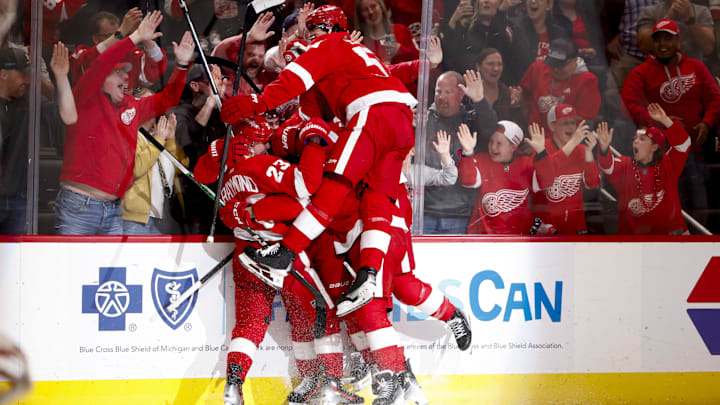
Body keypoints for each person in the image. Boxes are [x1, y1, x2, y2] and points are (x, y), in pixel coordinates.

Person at [221, 5, 416, 319]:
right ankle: (368, 276)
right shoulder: (357, 53)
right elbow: (311, 114)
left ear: (327, 29)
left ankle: (285, 254)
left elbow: (295, 81)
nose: (309, 40)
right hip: (401, 120)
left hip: (372, 113)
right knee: (378, 199)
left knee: (335, 184)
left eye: (312, 33)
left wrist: (258, 102)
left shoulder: (330, 43)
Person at [193, 116, 332, 405]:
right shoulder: (262, 164)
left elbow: (205, 180)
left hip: (247, 259)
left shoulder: (228, 177)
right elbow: (303, 196)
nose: (269, 146)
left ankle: (234, 385)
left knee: (248, 326)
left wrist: (244, 213)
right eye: (264, 142)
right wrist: (315, 141)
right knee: (312, 315)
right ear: (253, 144)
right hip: (283, 256)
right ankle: (316, 382)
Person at [54, 12, 194, 235]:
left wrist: (182, 65)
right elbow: (100, 63)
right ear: (102, 80)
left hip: (114, 210)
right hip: (79, 208)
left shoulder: (131, 105)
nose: (126, 77)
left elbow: (168, 99)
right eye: (118, 73)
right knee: (72, 269)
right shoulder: (85, 97)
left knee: (117, 270)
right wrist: (135, 36)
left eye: (125, 72)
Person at [621, 18, 720, 222]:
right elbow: (628, 104)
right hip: (663, 154)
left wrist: (707, 122)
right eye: (658, 40)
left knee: (699, 203)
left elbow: (715, 98)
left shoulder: (697, 67)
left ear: (678, 41)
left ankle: (700, 243)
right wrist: (659, 121)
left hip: (695, 148)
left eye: (668, 39)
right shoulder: (641, 72)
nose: (663, 44)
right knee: (672, 206)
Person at [0, 43, 75, 235]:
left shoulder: (30, 102)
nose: (28, 79)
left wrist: (60, 76)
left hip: (19, 198)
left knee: (18, 260)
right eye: (23, 74)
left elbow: (68, 116)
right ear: (4, 74)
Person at [422, 70, 498, 234]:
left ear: (461, 95)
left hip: (460, 213)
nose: (441, 97)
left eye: (448, 92)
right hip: (424, 212)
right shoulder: (423, 120)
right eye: (438, 91)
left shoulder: (470, 120)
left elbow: (491, 130)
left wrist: (479, 100)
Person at [596, 103, 690, 234]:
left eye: (642, 139)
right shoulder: (625, 165)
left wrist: (664, 120)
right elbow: (607, 167)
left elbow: (684, 144)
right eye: (635, 138)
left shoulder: (667, 164)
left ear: (654, 147)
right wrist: (605, 149)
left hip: (671, 239)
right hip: (634, 241)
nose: (635, 141)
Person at [457, 121, 554, 234]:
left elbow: (547, 182)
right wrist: (468, 152)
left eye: (499, 143)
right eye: (491, 141)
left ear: (513, 147)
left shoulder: (525, 164)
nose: (493, 147)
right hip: (486, 237)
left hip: (519, 238)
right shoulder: (481, 160)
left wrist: (541, 152)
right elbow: (468, 181)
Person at [172, 64, 228, 235]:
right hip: (195, 194)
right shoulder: (180, 114)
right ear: (195, 86)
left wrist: (220, 101)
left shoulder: (220, 112)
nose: (217, 86)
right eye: (211, 82)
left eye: (219, 82)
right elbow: (190, 141)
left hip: (222, 191)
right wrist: (211, 101)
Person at [530, 104, 600, 235]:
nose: (571, 127)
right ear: (552, 126)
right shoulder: (541, 146)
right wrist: (573, 142)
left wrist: (589, 152)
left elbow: (592, 183)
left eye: (573, 123)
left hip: (575, 225)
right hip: (546, 226)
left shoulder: (581, 150)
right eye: (565, 123)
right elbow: (546, 175)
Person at [122, 109, 187, 235]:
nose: (150, 108)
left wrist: (170, 140)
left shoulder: (158, 136)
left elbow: (182, 168)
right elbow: (136, 169)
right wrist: (158, 141)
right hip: (137, 217)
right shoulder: (129, 135)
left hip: (165, 215)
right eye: (146, 103)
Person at [70, 8, 168, 92]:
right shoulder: (82, 54)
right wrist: (121, 32)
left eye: (120, 34)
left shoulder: (130, 55)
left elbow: (156, 69)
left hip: (126, 111)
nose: (117, 40)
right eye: (110, 35)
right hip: (94, 112)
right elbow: (90, 62)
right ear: (95, 38)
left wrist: (143, 37)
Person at [519, 36, 601, 133]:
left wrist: (548, 145)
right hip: (533, 135)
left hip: (566, 141)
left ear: (575, 60)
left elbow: (582, 125)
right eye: (553, 64)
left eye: (561, 65)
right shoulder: (538, 68)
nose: (556, 69)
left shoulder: (587, 81)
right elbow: (523, 95)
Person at [441, 0, 523, 84]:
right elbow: (448, 57)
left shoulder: (509, 31)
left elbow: (497, 50)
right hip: (467, 86)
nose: (486, 1)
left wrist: (501, 13)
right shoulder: (466, 29)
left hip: (497, 88)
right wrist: (453, 21)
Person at [637, 0, 715, 62]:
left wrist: (689, 18)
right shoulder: (650, 11)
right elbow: (644, 46)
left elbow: (708, 47)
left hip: (692, 71)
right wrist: (668, 18)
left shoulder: (702, 11)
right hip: (660, 70)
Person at [474, 48, 526, 129]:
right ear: (478, 66)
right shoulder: (469, 93)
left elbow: (520, 129)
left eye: (499, 64)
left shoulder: (508, 94)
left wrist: (516, 107)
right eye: (490, 64)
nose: (496, 69)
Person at [354, 0, 419, 65]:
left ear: (381, 7)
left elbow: (419, 59)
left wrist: (400, 50)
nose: (371, 12)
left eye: (373, 6)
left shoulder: (401, 31)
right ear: (360, 15)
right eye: (365, 10)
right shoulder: (360, 41)